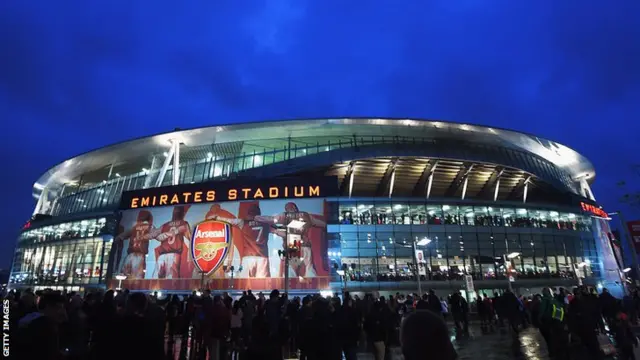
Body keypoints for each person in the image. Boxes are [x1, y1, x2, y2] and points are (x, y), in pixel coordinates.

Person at [211, 203, 272, 278]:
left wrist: (217, 218)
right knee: (262, 284)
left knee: (245, 284)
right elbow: (278, 231)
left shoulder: (242, 222)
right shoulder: (266, 224)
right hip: (263, 257)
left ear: (249, 213)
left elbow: (229, 221)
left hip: (247, 257)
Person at [15, 291, 68, 360]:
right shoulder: (43, 326)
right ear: (48, 307)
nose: (62, 311)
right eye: (58, 307)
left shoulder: (35, 321)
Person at [115, 210, 157, 278]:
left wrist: (117, 239)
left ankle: (124, 288)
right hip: (139, 255)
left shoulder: (134, 227)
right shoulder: (150, 227)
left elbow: (121, 236)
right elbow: (155, 233)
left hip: (129, 255)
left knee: (123, 277)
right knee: (136, 278)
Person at [153, 205, 192, 279]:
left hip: (162, 254)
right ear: (182, 213)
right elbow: (190, 239)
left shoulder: (165, 225)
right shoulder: (184, 223)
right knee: (171, 278)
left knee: (156, 277)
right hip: (174, 254)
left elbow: (154, 234)